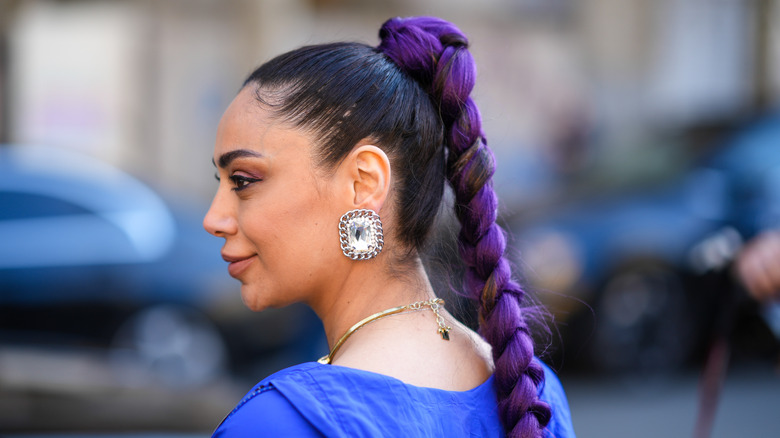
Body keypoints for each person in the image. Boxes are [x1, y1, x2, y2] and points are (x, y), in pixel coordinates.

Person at [204, 16, 575, 438]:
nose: (213, 219)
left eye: (243, 181)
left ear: (364, 183)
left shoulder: (281, 422)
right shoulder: (532, 393)